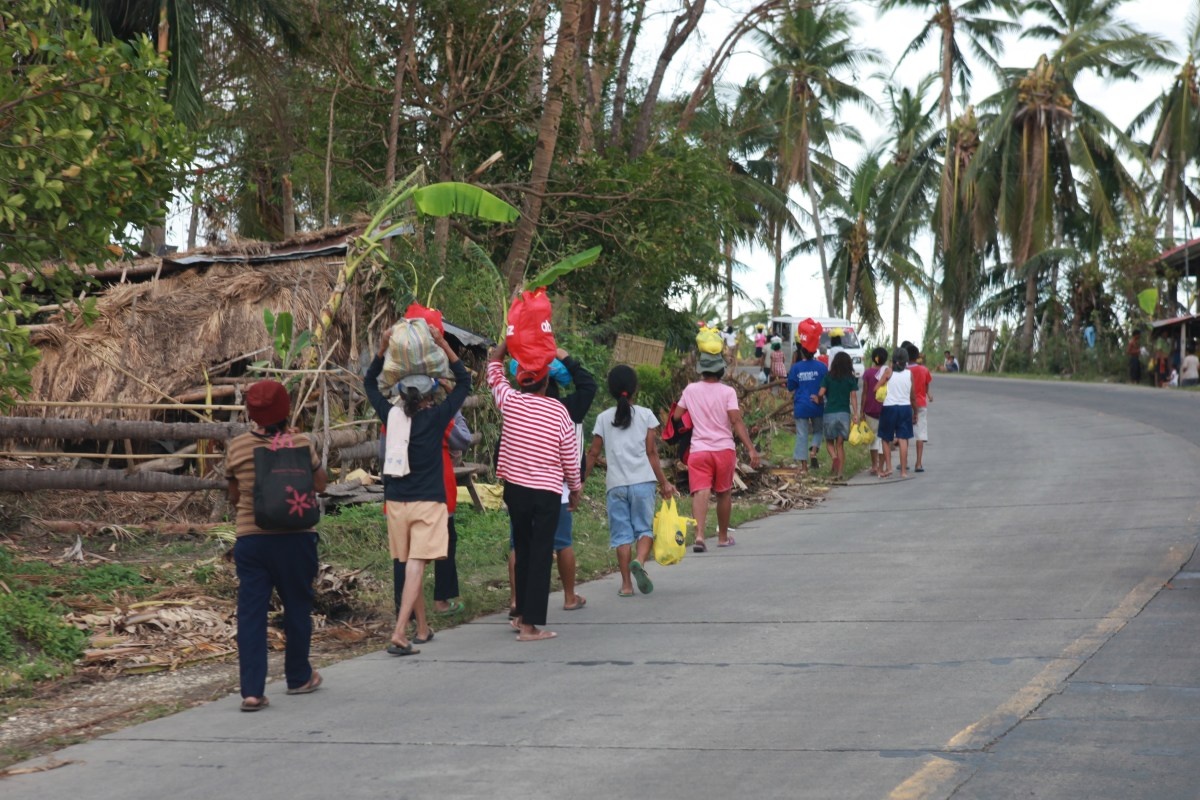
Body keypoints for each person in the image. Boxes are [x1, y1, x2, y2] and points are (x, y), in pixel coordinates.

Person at [365, 325, 471, 656]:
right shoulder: (439, 417)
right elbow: (464, 381)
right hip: (428, 502)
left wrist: (383, 347)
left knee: (412, 564)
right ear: (429, 397)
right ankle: (400, 632)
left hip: (396, 502)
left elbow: (369, 383)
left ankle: (422, 629)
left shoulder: (391, 416)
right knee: (416, 564)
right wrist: (442, 345)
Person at [226, 380, 328, 711]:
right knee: (298, 605)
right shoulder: (299, 441)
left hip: (252, 540)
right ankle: (298, 677)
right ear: (285, 409)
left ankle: (252, 692)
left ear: (251, 412)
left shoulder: (238, 447)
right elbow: (319, 483)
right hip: (297, 538)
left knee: (252, 614)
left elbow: (234, 495)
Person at [488, 340, 581, 642]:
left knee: (523, 549)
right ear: (545, 382)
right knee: (541, 554)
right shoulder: (558, 411)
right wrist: (576, 489)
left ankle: (520, 615)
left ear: (521, 380)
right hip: (547, 493)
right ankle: (529, 626)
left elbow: (493, 371)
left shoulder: (510, 401)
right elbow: (569, 455)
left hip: (515, 491)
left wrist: (508, 344)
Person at [505, 351, 596, 613]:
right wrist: (562, 355)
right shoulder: (567, 409)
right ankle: (569, 597)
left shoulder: (516, 408)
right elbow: (588, 385)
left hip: (520, 487)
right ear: (549, 382)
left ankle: (515, 600)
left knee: (518, 545)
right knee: (561, 542)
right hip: (558, 489)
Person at [584, 365, 676, 597]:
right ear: (635, 388)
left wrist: (581, 481)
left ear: (611, 390)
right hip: (643, 482)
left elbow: (593, 454)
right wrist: (664, 482)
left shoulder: (603, 418)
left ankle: (626, 585)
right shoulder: (646, 415)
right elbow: (651, 453)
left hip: (615, 485)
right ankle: (640, 561)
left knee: (621, 535)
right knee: (644, 529)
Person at [672, 352, 761, 552]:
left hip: (699, 450)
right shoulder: (727, 392)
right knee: (723, 493)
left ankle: (700, 536)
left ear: (702, 370)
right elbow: (736, 421)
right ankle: (722, 537)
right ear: (721, 370)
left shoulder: (691, 390)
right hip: (723, 450)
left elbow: (677, 415)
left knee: (700, 492)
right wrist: (751, 448)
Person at [432, 411, 472, 616]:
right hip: (438, 491)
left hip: (404, 496)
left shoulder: (394, 418)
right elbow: (464, 440)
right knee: (444, 544)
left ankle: (405, 609)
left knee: (408, 555)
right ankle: (441, 600)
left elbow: (384, 455)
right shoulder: (440, 416)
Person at [816, 351, 858, 481]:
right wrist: (855, 413)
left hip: (830, 413)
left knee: (829, 442)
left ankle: (834, 458)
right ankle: (839, 473)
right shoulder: (850, 378)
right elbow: (854, 397)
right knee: (840, 444)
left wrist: (817, 399)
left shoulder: (828, 377)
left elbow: (821, 393)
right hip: (844, 414)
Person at [787, 345, 827, 472]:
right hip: (817, 404)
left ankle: (804, 467)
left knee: (802, 435)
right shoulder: (822, 367)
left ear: (801, 353)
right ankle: (813, 451)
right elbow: (827, 386)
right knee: (818, 431)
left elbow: (790, 387)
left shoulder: (796, 367)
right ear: (815, 352)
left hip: (801, 405)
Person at [878, 348, 916, 479]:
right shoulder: (909, 374)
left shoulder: (889, 372)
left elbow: (875, 388)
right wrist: (915, 412)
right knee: (903, 438)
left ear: (893, 360)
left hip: (889, 407)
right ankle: (904, 471)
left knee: (885, 438)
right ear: (906, 361)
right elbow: (913, 396)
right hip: (905, 407)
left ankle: (888, 468)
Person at [860, 347, 889, 476]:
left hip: (870, 410)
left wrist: (861, 411)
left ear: (873, 358)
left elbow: (865, 393)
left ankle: (874, 465)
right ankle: (881, 466)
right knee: (883, 439)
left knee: (873, 439)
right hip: (885, 409)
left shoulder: (867, 373)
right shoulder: (888, 373)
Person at [908, 349, 933, 473]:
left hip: (906, 404)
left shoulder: (904, 370)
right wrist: (927, 393)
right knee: (920, 434)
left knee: (904, 433)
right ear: (917, 356)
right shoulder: (924, 369)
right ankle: (918, 463)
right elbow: (927, 384)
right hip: (921, 403)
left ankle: (904, 462)